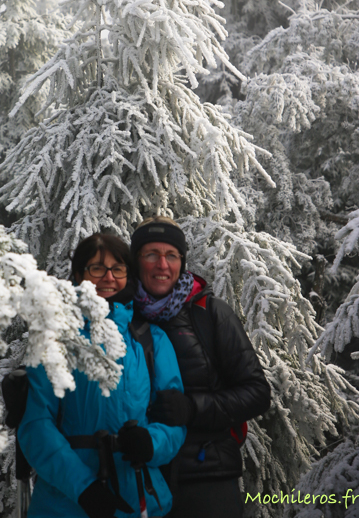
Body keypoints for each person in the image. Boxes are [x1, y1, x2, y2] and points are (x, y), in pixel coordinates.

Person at [17, 233, 187, 518]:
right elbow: (36, 424)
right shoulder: (54, 340)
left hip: (139, 497)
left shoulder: (150, 340)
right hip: (66, 502)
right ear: (77, 275)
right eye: (97, 268)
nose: (108, 277)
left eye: (117, 268)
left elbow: (173, 420)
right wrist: (83, 488)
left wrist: (151, 443)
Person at [130, 217, 271, 518]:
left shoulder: (209, 313)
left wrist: (192, 409)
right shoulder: (119, 318)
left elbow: (257, 392)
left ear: (182, 262)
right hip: (138, 477)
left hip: (207, 478)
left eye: (172, 255)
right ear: (136, 261)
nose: (162, 265)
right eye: (151, 254)